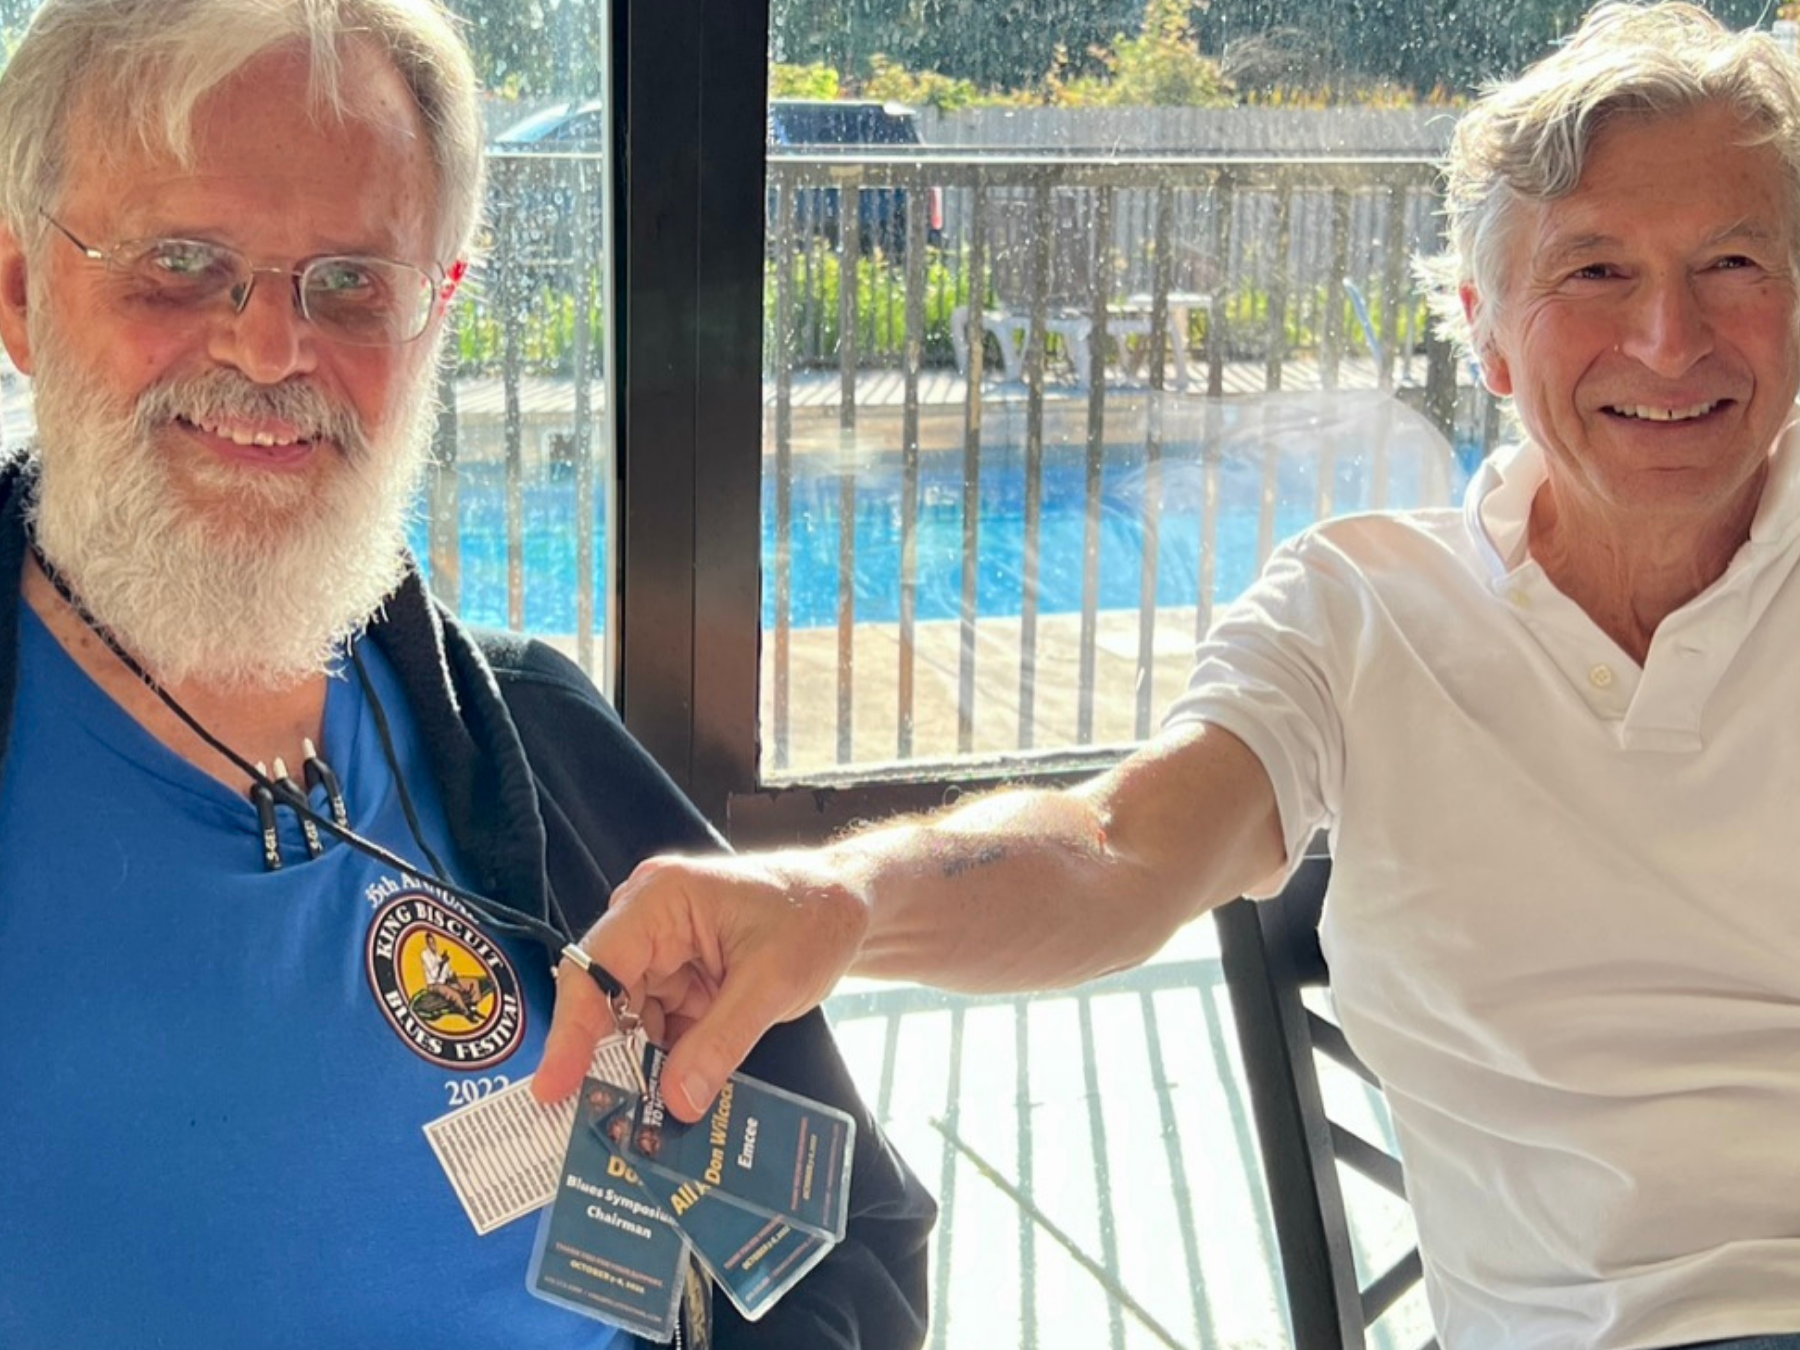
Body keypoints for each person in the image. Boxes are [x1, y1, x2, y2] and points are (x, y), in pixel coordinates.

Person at [539, 4, 1800, 1347]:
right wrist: (838, 896)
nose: (1670, 337)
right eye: (1596, 271)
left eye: (1732, 260)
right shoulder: (1361, 609)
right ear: (1486, 336)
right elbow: (1117, 849)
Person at [0, 1, 933, 1346]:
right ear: (21, 292)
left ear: (434, 313)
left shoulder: (537, 748)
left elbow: (837, 1245)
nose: (269, 350)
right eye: (181, 263)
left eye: (352, 283)